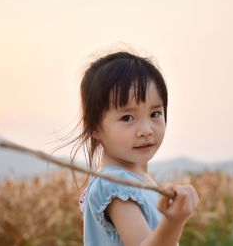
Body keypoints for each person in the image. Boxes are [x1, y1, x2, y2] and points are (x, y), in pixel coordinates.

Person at [68, 50, 199, 246]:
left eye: (155, 113)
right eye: (127, 118)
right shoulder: (114, 185)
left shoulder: (135, 180)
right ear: (94, 127)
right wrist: (174, 221)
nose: (146, 130)